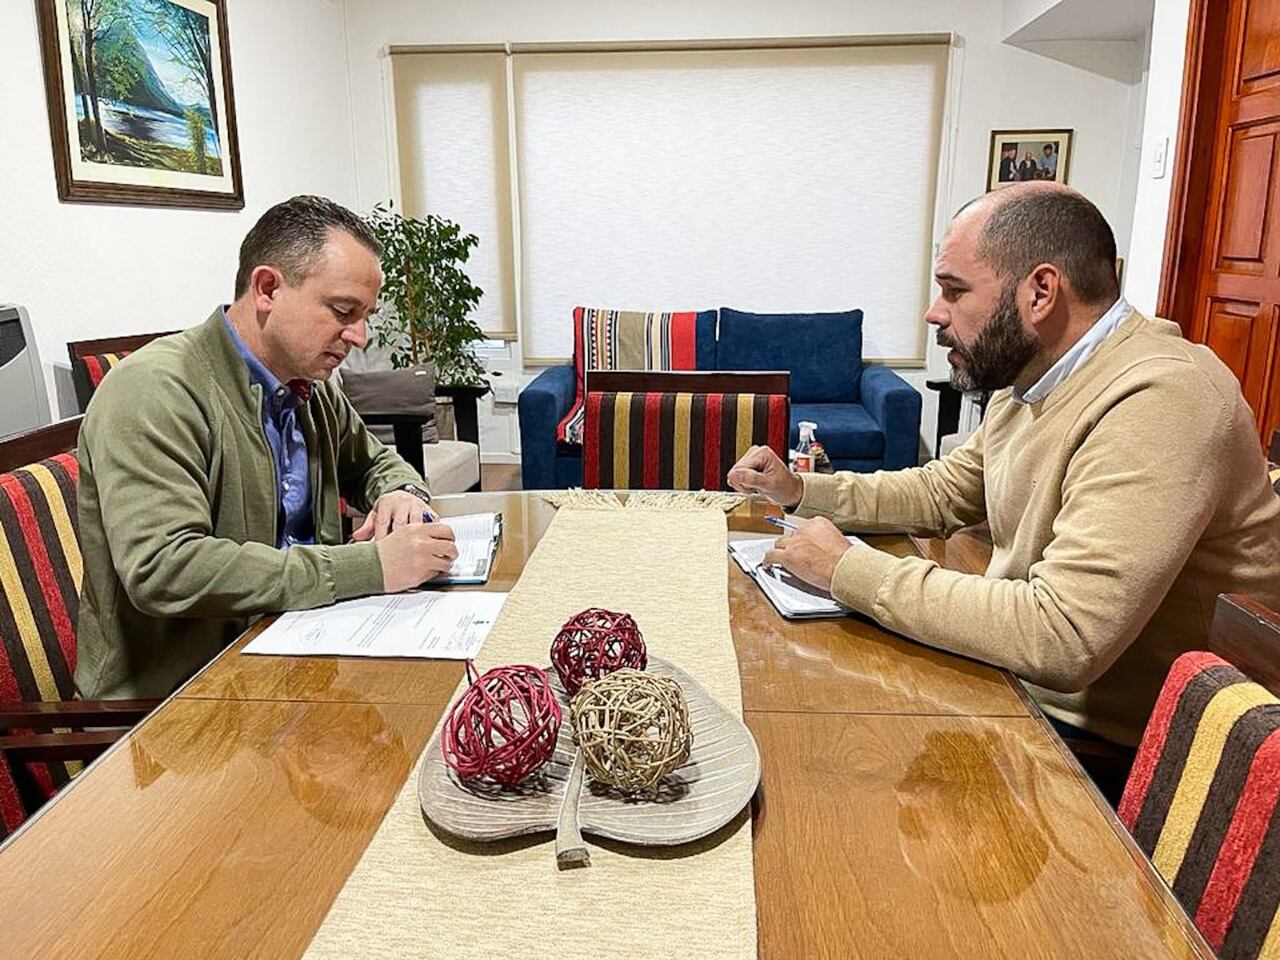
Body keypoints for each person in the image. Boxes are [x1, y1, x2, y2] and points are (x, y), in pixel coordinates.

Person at [728, 183, 1280, 748]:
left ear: (1040, 292)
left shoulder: (1162, 396)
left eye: (954, 291)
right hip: (1024, 687)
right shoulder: (1031, 376)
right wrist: (801, 489)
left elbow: (1062, 635)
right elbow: (945, 494)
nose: (933, 314)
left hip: (1125, 754)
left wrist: (847, 569)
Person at [75, 195, 461, 700]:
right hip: (179, 704)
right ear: (267, 288)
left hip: (297, 655)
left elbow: (375, 462)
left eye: (365, 315)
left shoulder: (312, 385)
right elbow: (165, 567)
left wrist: (401, 492)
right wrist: (370, 567)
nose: (360, 336)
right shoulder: (155, 390)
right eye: (344, 311)